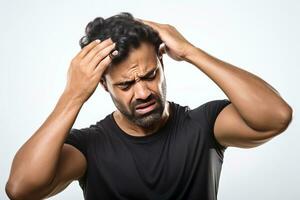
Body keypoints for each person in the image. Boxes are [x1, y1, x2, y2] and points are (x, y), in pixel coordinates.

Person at [5, 12, 293, 200]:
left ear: (162, 63)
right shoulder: (89, 146)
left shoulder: (203, 126)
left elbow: (276, 116)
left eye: (150, 75)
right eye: (126, 85)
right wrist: (73, 95)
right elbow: (20, 189)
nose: (143, 92)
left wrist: (191, 51)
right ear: (103, 85)